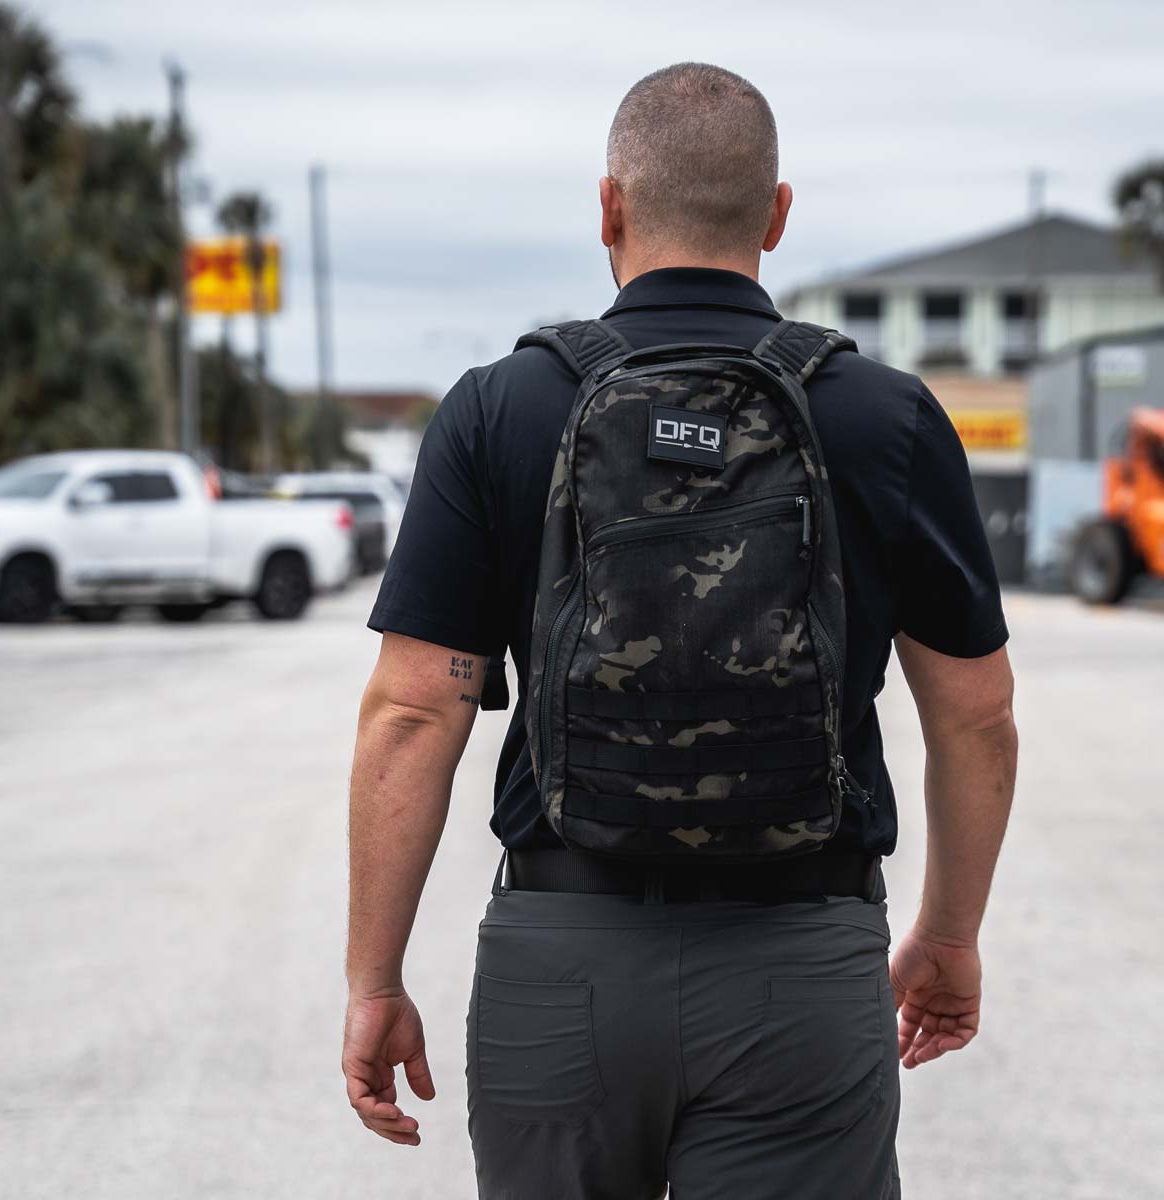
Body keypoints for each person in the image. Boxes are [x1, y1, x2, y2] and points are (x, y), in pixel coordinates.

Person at [342, 62, 1017, 1199]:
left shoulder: (498, 410)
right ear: (776, 214)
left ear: (608, 207)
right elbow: (978, 716)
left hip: (560, 971)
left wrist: (374, 977)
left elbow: (414, 712)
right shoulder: (885, 417)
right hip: (802, 969)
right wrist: (949, 936)